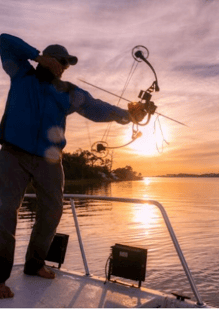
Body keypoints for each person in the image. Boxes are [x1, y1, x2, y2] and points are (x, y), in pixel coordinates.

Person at [0, 33, 146, 298]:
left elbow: (95, 107)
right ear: (46, 58)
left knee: (53, 210)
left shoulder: (67, 92)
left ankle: (35, 264)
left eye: (66, 65)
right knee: (4, 210)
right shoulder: (21, 72)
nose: (63, 67)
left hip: (50, 160)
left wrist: (128, 115)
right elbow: (4, 40)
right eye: (59, 61)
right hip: (13, 153)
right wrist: (35, 54)